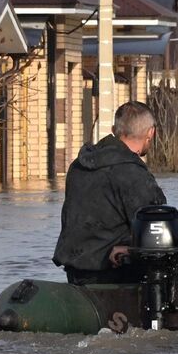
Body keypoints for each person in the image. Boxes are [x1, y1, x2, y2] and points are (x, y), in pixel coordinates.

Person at [51, 101, 165, 284]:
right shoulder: (133, 173)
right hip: (115, 271)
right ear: (151, 132)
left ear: (114, 129)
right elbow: (155, 226)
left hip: (75, 270)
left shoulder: (79, 165)